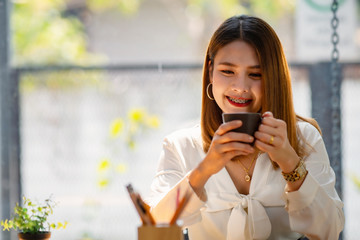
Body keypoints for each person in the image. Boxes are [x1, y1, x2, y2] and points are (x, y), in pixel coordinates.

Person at [146, 15, 344, 240]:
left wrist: (289, 161)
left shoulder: (304, 138)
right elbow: (154, 229)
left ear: (273, 78)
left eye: (255, 74)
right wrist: (205, 169)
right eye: (227, 71)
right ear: (210, 71)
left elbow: (329, 231)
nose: (240, 87)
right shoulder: (180, 145)